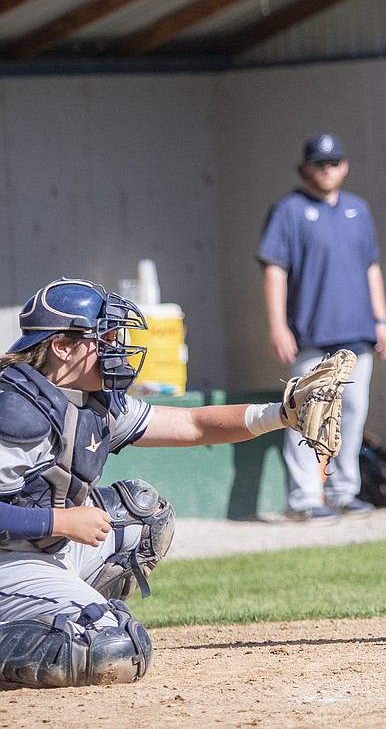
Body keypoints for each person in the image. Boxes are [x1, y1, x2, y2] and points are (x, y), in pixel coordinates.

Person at [0, 278, 330, 687]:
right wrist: (60, 523)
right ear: (61, 347)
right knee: (113, 648)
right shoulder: (15, 410)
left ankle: (56, 607)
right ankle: (56, 617)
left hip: (44, 550)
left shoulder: (91, 399)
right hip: (10, 560)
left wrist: (281, 413)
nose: (116, 347)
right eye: (102, 336)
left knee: (142, 515)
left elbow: (191, 423)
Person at [258, 133, 386, 523]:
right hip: (310, 333)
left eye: (333, 162)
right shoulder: (288, 210)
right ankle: (303, 498)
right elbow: (274, 271)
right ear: (304, 169)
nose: (327, 170)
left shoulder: (358, 209)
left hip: (357, 333)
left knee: (352, 413)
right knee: (304, 414)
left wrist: (382, 320)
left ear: (345, 166)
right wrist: (278, 326)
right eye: (319, 163)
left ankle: (343, 491)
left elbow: (371, 267)